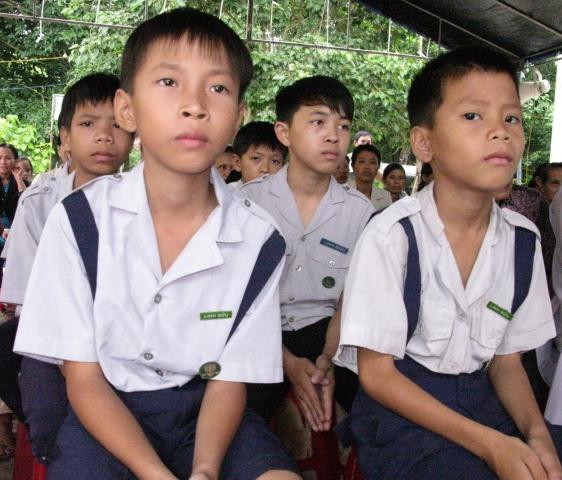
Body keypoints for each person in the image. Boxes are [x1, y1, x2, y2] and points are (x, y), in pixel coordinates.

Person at [14, 8, 299, 480]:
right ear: (127, 109)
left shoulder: (260, 240)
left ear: (238, 118)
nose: (195, 106)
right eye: (169, 82)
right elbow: (83, 378)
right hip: (106, 412)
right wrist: (156, 473)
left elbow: (229, 380)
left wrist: (204, 470)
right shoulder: (81, 220)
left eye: (218, 88)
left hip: (208, 415)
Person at [335, 46, 562, 480]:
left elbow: (506, 361)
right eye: (473, 116)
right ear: (424, 143)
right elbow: (378, 375)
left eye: (511, 118)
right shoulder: (392, 236)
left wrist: (536, 436)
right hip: (404, 414)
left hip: (484, 401)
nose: (500, 132)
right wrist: (491, 445)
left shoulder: (522, 240)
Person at [238, 76, 374, 431]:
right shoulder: (247, 203)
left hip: (325, 333)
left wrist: (327, 359)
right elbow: (234, 301)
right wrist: (287, 362)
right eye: (318, 122)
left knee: (373, 416)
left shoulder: (359, 213)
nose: (333, 136)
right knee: (239, 416)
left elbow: (348, 303)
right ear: (284, 133)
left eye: (343, 126)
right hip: (256, 332)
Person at [0, 73, 133, 431]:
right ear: (66, 137)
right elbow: (28, 298)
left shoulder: (149, 202)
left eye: (117, 125)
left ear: (135, 133)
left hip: (124, 335)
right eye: (88, 124)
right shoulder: (39, 201)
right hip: (53, 334)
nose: (104, 136)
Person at [229, 121, 287, 189]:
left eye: (274, 161)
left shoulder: (287, 194)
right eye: (256, 158)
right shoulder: (225, 194)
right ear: (237, 162)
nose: (265, 169)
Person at [348, 144, 391, 211]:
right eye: (362, 162)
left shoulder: (385, 196)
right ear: (353, 166)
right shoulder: (341, 192)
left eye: (372, 162)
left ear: (378, 167)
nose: (367, 167)